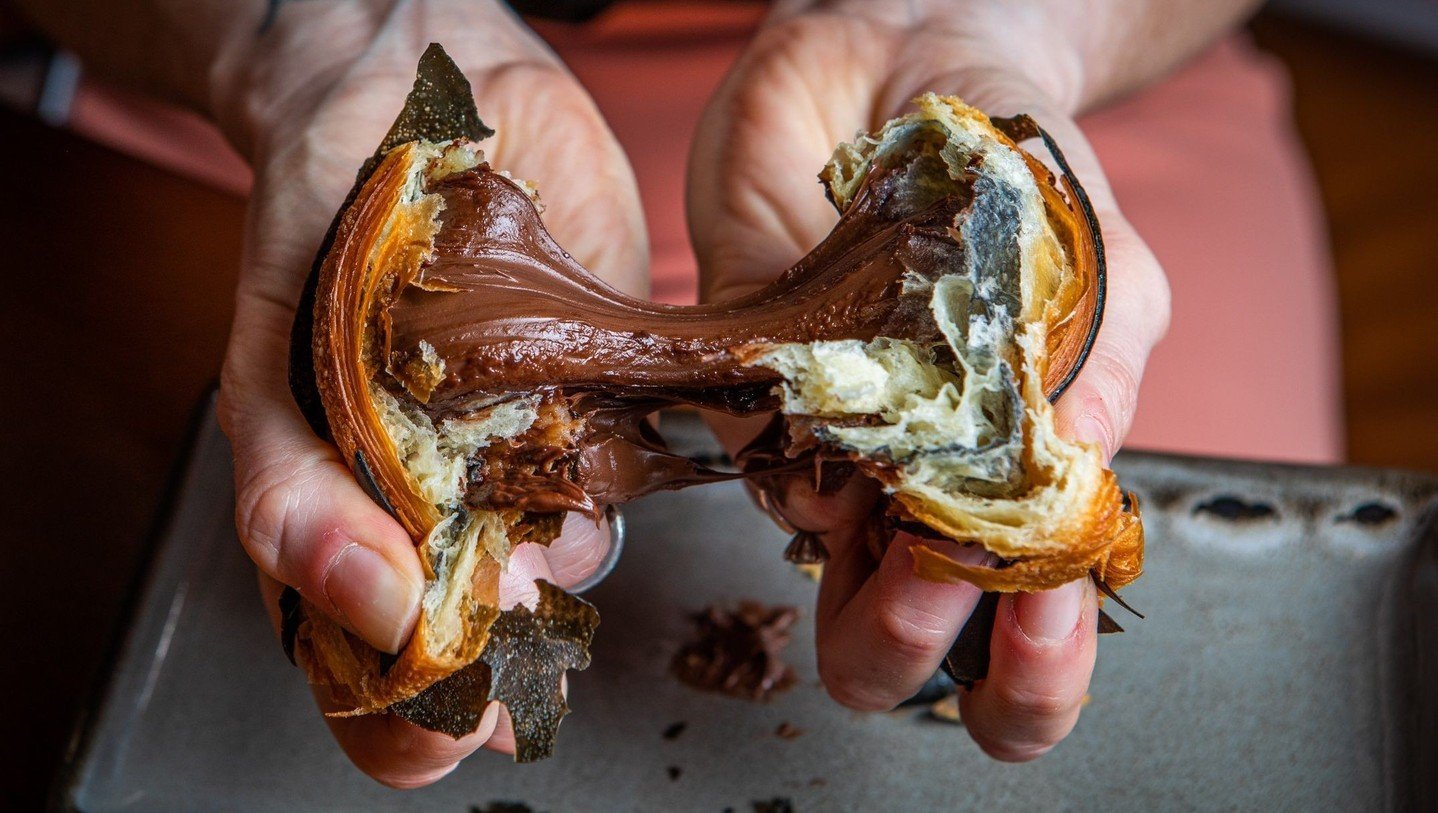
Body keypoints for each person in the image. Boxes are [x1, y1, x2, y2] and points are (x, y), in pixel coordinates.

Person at [15, 0, 1341, 788]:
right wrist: (312, 42)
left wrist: (987, 32)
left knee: (1177, 684)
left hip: (1001, 60)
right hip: (289, 92)